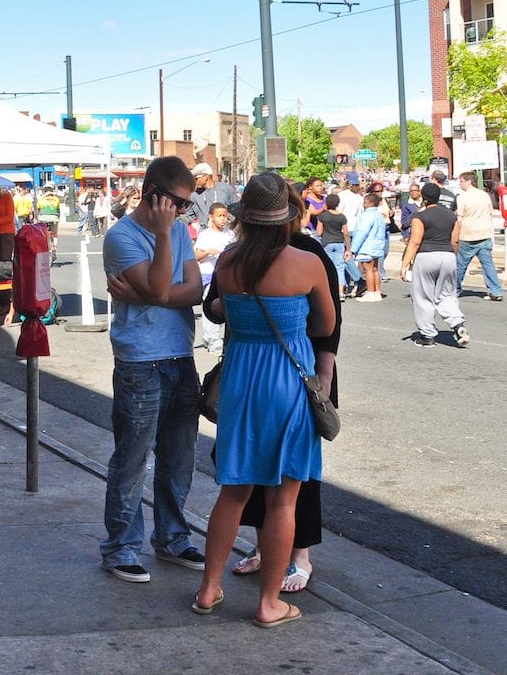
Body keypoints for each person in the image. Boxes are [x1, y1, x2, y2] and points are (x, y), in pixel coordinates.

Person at [193, 173, 336, 627]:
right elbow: (324, 325)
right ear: (288, 216)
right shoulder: (306, 262)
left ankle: (208, 589)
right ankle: (269, 602)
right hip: (287, 382)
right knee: (283, 500)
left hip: (240, 379)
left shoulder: (229, 261)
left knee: (232, 492)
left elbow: (215, 309)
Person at [99, 156, 205, 583]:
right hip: (140, 360)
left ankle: (173, 537)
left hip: (180, 353)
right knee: (132, 456)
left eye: (186, 205)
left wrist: (147, 296)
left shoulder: (179, 230)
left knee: (179, 456)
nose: (182, 212)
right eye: (177, 203)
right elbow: (167, 287)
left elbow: (195, 291)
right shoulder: (122, 237)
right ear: (153, 195)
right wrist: (163, 241)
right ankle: (121, 546)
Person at [399, 182, 469, 347]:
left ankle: (427, 335)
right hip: (448, 255)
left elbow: (415, 241)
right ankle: (457, 324)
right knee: (447, 294)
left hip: (426, 256)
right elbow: (455, 240)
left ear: (423, 196)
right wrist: (453, 256)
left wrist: (405, 264)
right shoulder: (452, 216)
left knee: (423, 296)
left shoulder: (420, 216)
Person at [454, 173, 503, 301]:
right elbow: (490, 212)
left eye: (462, 181)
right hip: (485, 233)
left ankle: (454, 289)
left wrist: (455, 236)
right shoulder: (484, 195)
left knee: (460, 264)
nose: (460, 184)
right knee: (488, 264)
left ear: (469, 182)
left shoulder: (462, 198)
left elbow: (459, 218)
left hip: (468, 234)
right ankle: (495, 290)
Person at [194, 202, 235, 354]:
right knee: (210, 305)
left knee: (222, 306)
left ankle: (220, 339)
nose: (223, 219)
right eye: (219, 216)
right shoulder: (205, 235)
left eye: (225, 216)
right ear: (211, 217)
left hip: (225, 275)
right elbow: (197, 255)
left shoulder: (230, 234)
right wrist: (209, 252)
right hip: (208, 274)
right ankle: (211, 339)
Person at [315, 194, 358, 298]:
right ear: (338, 204)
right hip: (339, 243)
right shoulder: (341, 217)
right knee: (340, 268)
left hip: (326, 243)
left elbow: (319, 232)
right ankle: (341, 292)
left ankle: (330, 291)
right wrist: (348, 249)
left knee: (328, 267)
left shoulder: (322, 216)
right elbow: (346, 234)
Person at [350, 192, 389, 301]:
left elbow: (362, 232)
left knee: (368, 270)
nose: (364, 204)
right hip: (377, 245)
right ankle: (377, 292)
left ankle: (370, 292)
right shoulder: (379, 215)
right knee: (375, 269)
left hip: (367, 246)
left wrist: (353, 249)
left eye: (365, 202)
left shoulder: (366, 216)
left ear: (370, 203)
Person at [189, 162, 235, 229]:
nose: (194, 181)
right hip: (204, 234)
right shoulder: (194, 194)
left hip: (225, 233)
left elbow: (235, 211)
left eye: (196, 178)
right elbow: (189, 215)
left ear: (206, 177)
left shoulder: (226, 189)